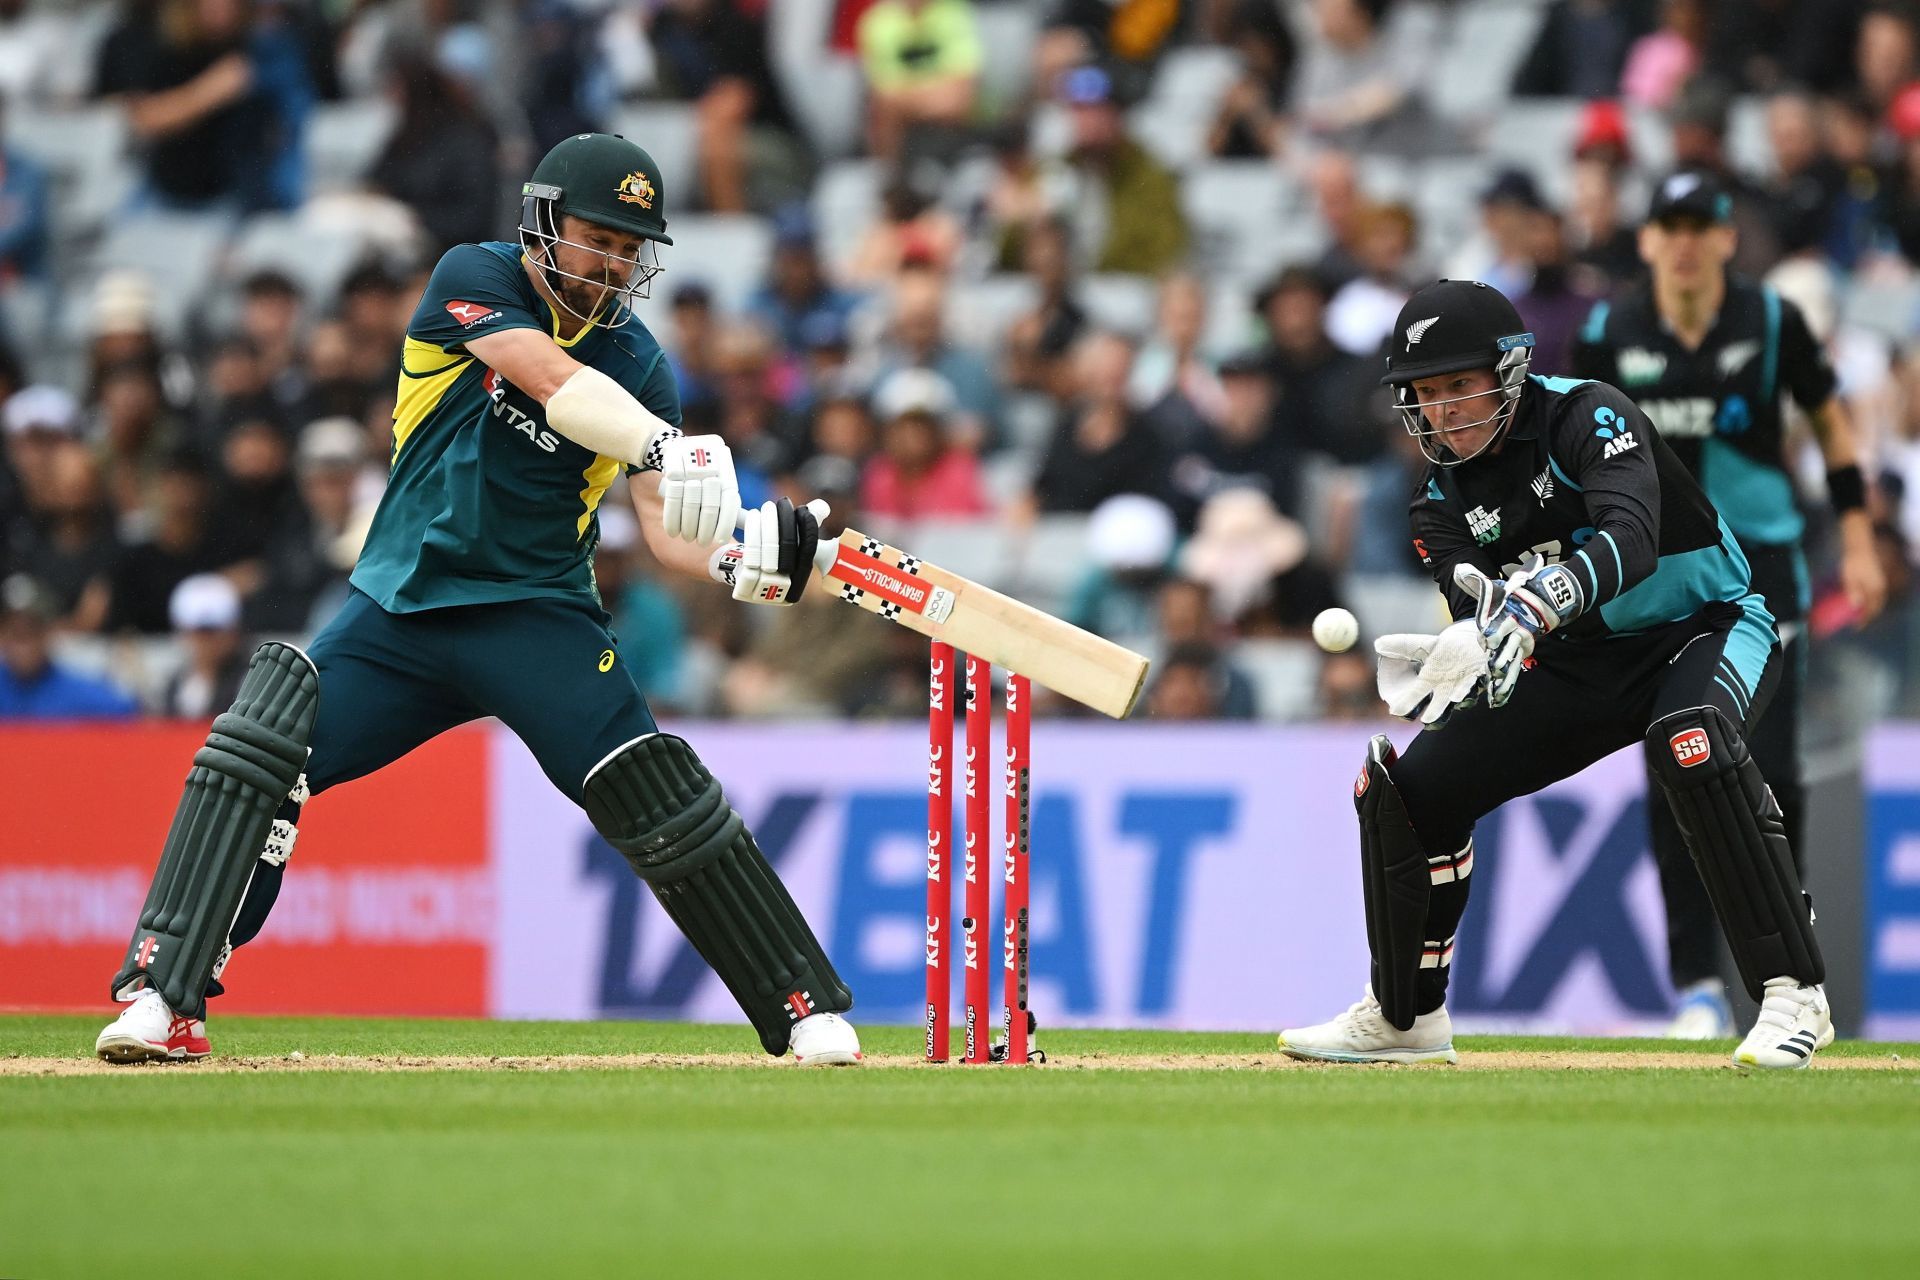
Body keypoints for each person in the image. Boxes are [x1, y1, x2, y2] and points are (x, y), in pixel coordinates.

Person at [94, 132, 862, 1067]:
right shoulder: (476, 277)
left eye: (631, 247)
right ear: (544, 223)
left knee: (652, 788)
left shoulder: (640, 364)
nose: (614, 262)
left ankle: (803, 1009)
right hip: (401, 607)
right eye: (599, 237)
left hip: (536, 615)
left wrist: (749, 556)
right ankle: (161, 998)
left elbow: (668, 533)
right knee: (260, 748)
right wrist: (665, 444)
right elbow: (549, 380)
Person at [1278, 279, 1833, 1070]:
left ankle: (1793, 994)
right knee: (1408, 791)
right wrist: (1466, 652)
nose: (1445, 412)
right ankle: (1406, 1018)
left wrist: (1533, 608)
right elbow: (1475, 605)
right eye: (1425, 394)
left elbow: (1631, 538)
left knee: (1692, 741)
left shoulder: (1588, 414)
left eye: (1460, 387)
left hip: (1701, 626)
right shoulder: (1436, 500)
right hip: (1574, 663)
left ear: (1509, 371)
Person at [1569, 172, 1887, 1037]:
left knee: (1771, 769)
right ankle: (1697, 985)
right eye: (1666, 226)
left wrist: (1856, 538)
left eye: (1697, 226)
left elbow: (1830, 423)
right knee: (1675, 769)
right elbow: (1573, 461)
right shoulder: (1608, 330)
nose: (1681, 241)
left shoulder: (1773, 321)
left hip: (1765, 571)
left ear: (1723, 239)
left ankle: (1792, 977)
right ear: (1646, 242)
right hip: (1660, 580)